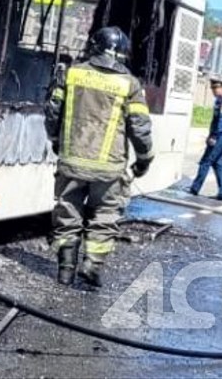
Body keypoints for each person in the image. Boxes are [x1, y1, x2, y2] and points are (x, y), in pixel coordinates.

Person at [45, 26, 153, 287]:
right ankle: (92, 265)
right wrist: (144, 158)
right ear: (123, 54)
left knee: (67, 213)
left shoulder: (71, 74)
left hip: (71, 161)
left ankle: (65, 271)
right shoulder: (130, 84)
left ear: (93, 46)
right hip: (109, 168)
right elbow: (139, 128)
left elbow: (52, 113)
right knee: (104, 215)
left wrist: (57, 141)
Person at [188, 78, 222, 201]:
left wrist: (214, 136)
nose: (214, 91)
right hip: (221, 136)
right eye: (213, 88)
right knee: (218, 164)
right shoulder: (220, 101)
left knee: (205, 162)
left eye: (216, 88)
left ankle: (195, 188)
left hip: (220, 136)